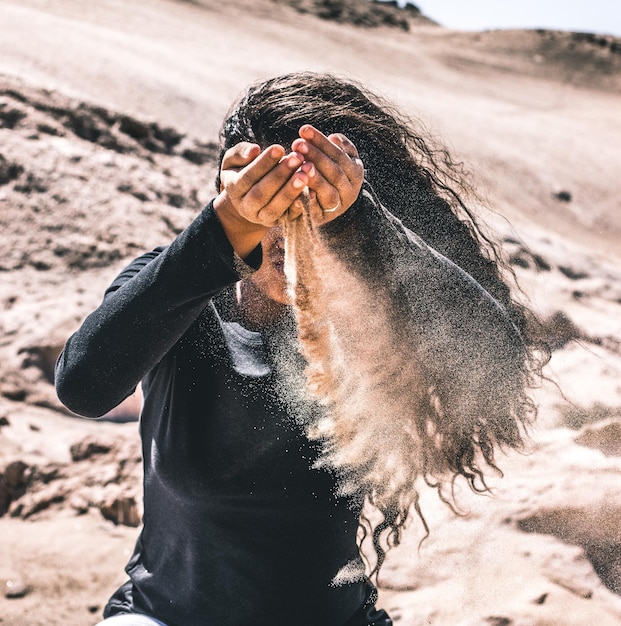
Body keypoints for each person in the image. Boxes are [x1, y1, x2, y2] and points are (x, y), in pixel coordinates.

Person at [55, 72, 542, 626]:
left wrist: (362, 223)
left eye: (313, 209)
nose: (291, 235)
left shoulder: (362, 321)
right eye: (271, 204)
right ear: (233, 189)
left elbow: (497, 361)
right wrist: (222, 230)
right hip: (163, 616)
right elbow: (84, 386)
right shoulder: (177, 289)